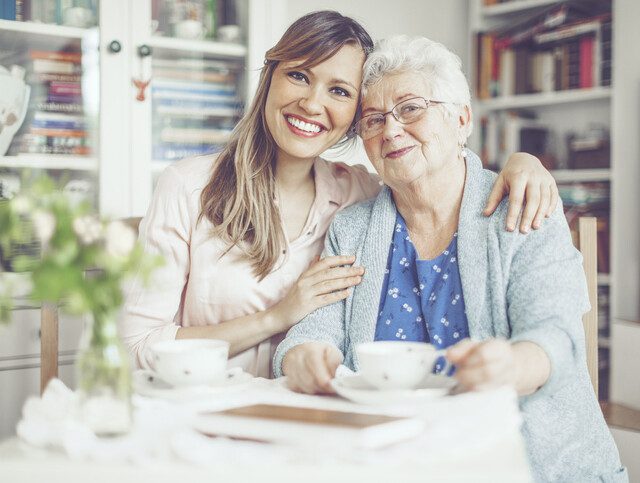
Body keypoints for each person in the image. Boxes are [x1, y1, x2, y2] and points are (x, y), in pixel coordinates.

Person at [120, 11, 559, 380]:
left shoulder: (361, 197)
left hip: (310, 419)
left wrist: (524, 161)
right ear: (270, 78)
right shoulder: (188, 187)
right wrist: (277, 317)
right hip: (203, 408)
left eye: (339, 91)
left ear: (353, 117)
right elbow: (136, 345)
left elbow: (434, 166)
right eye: (298, 75)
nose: (312, 104)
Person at [274, 35, 626, 482]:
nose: (392, 130)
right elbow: (314, 330)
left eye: (411, 108)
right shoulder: (353, 227)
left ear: (461, 120)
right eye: (374, 119)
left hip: (526, 466)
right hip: (394, 465)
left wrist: (512, 366)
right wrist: (305, 357)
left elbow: (556, 336)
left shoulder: (520, 204)